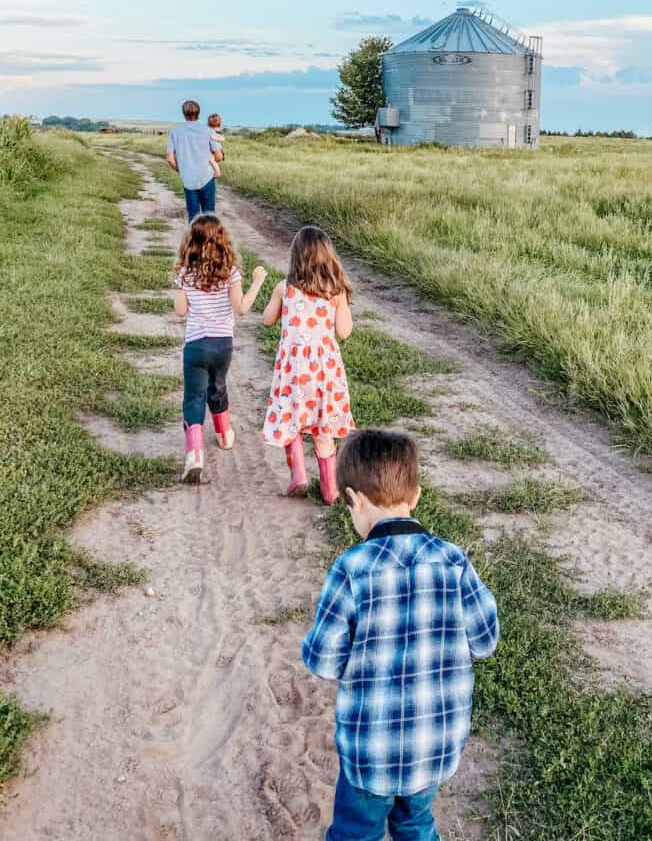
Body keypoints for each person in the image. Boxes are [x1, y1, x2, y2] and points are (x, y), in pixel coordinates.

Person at [302, 429, 500, 841]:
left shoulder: (351, 568)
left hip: (370, 750)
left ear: (354, 501)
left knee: (357, 831)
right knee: (414, 823)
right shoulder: (454, 560)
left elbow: (322, 659)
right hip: (435, 744)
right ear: (416, 497)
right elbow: (485, 640)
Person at [260, 225, 355, 502]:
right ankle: (329, 489)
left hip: (294, 372)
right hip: (325, 373)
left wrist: (276, 301)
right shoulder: (335, 293)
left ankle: (299, 476)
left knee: (292, 420)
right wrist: (343, 303)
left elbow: (267, 319)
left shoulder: (285, 288)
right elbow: (345, 332)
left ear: (296, 257)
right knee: (324, 429)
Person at [173, 214, 267, 483]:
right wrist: (258, 281)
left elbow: (180, 311)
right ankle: (225, 435)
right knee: (218, 386)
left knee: (194, 396)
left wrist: (185, 291)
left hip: (196, 345)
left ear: (191, 242)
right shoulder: (230, 273)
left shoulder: (184, 273)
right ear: (223, 241)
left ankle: (195, 454)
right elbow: (242, 308)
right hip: (223, 345)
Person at [166, 100, 223, 220]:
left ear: (184, 113)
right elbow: (219, 156)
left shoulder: (175, 132)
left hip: (188, 179)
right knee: (209, 216)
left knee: (193, 217)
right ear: (199, 113)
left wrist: (181, 170)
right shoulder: (208, 131)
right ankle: (209, 238)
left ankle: (194, 238)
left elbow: (170, 158)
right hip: (206, 178)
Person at [207, 112, 225, 179]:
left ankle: (217, 172)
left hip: (217, 152)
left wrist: (214, 138)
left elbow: (222, 139)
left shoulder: (212, 133)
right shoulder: (216, 132)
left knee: (210, 158)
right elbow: (223, 138)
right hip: (219, 151)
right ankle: (217, 171)